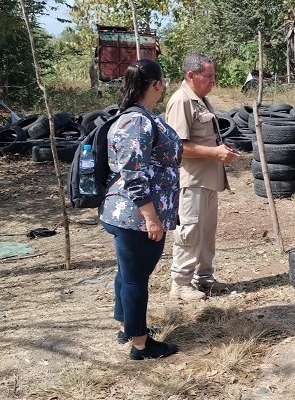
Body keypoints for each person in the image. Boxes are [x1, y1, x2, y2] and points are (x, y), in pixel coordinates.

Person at [100, 59, 182, 360]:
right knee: (136, 278)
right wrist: (151, 217)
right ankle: (141, 344)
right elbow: (133, 172)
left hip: (128, 211)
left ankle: (126, 325)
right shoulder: (138, 121)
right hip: (136, 215)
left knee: (128, 272)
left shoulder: (138, 116)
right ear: (156, 84)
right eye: (163, 82)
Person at [166, 52, 240, 301]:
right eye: (208, 76)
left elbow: (203, 137)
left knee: (206, 232)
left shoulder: (199, 99)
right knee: (190, 232)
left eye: (213, 76)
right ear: (191, 75)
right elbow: (179, 146)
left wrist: (221, 147)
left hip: (207, 178)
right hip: (192, 180)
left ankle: (204, 277)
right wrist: (215, 152)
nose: (212, 81)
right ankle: (181, 282)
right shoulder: (181, 101)